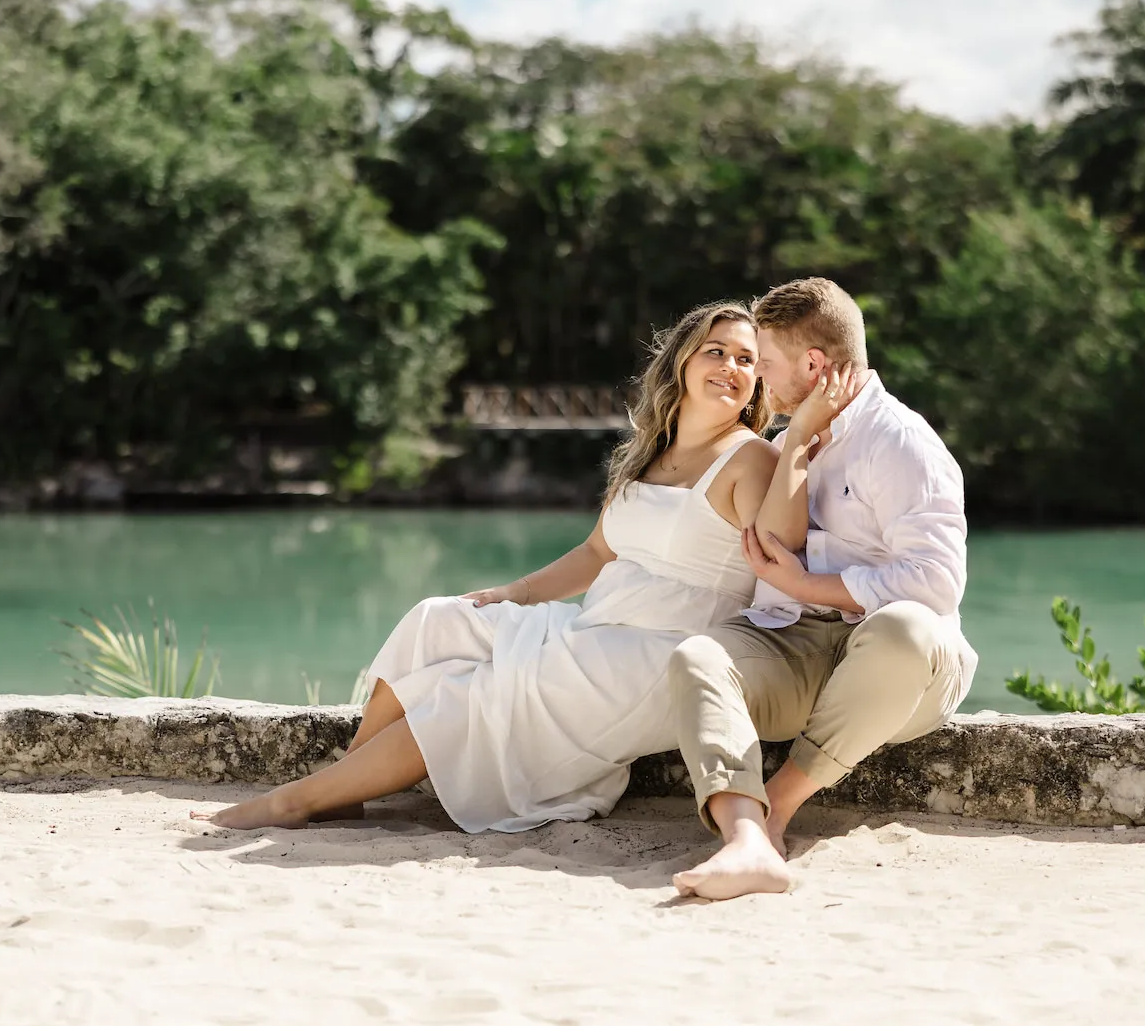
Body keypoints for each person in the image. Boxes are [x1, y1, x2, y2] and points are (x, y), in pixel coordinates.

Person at [193, 301, 781, 833]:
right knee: (438, 618)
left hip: (658, 655)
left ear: (759, 381)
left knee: (472, 697)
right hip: (598, 628)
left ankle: (294, 802)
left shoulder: (750, 460)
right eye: (717, 351)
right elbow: (598, 552)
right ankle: (345, 787)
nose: (731, 366)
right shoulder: (648, 455)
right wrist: (512, 592)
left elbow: (782, 557)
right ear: (682, 361)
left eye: (747, 360)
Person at [668, 277, 979, 901]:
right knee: (698, 657)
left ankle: (776, 810)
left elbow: (936, 585)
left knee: (905, 628)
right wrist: (796, 453)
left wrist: (811, 582)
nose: (760, 382)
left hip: (898, 675)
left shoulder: (902, 443)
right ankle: (747, 839)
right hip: (800, 647)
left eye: (768, 364)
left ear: (814, 364)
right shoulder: (789, 441)